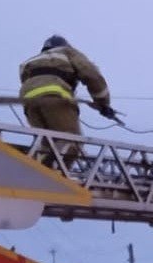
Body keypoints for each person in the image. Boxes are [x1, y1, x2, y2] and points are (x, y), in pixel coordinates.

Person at [18, 35, 115, 167]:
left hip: (30, 103)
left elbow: (33, 82)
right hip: (56, 98)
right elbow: (91, 75)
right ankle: (51, 177)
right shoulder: (68, 52)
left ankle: (36, 172)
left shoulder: (29, 62)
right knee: (71, 141)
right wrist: (103, 103)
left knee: (47, 145)